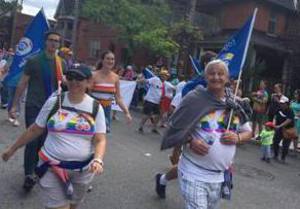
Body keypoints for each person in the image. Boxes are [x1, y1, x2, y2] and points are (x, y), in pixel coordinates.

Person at [2, 64, 107, 209]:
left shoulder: (95, 107)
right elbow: (34, 129)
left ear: (88, 82)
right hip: (51, 166)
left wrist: (98, 160)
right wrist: (12, 149)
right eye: (70, 77)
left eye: (79, 78)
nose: (73, 82)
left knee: (73, 205)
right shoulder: (54, 102)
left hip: (82, 171)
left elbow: (100, 139)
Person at [160, 59, 252, 208]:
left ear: (227, 78)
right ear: (205, 77)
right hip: (193, 171)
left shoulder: (235, 105)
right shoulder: (194, 99)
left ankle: (162, 180)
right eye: (212, 73)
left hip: (219, 176)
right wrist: (190, 141)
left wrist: (238, 137)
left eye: (220, 73)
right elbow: (174, 127)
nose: (216, 77)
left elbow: (249, 132)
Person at [8, 31, 66, 191]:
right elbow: (22, 83)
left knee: (45, 141)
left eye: (57, 41)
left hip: (53, 107)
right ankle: (28, 173)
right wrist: (14, 105)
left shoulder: (61, 63)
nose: (54, 43)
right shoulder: (34, 61)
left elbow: (64, 86)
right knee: (32, 139)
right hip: (34, 105)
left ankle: (37, 170)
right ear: (45, 42)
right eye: (51, 40)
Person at [91, 50, 132, 133]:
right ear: (102, 60)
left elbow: (118, 98)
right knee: (89, 134)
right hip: (93, 108)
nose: (110, 61)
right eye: (108, 59)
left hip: (106, 110)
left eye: (112, 59)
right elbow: (86, 94)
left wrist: (126, 113)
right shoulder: (93, 75)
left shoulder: (115, 77)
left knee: (101, 136)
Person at [137, 70, 173, 134]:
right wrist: (138, 81)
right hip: (150, 100)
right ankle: (141, 126)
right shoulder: (155, 79)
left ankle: (154, 128)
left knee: (158, 115)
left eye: (167, 76)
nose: (166, 77)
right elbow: (146, 81)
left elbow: (172, 88)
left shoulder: (165, 83)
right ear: (161, 75)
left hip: (157, 101)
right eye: (165, 76)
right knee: (146, 114)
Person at [273, 96, 295, 163]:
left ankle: (283, 158)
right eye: (281, 103)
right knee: (275, 141)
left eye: (283, 103)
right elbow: (275, 116)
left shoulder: (290, 111)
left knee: (286, 144)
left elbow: (289, 120)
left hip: (288, 129)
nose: (281, 104)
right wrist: (274, 124)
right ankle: (275, 155)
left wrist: (280, 126)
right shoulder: (279, 109)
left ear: (287, 103)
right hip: (279, 129)